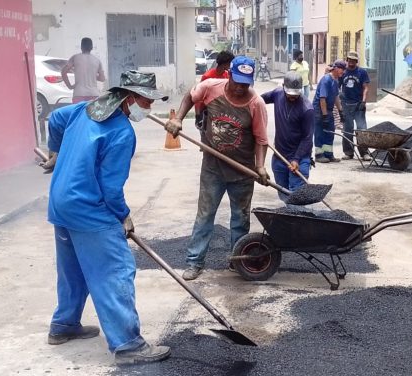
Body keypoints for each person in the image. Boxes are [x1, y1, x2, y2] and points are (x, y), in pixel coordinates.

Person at [43, 70, 171, 365]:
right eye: (146, 100)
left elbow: (57, 120)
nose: (149, 107)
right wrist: (123, 216)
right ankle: (128, 345)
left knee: (73, 268)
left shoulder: (86, 108)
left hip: (61, 202)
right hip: (88, 209)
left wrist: (57, 151)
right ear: (129, 98)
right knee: (115, 270)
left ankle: (64, 326)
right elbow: (111, 189)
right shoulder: (122, 133)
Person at [164, 56, 269, 281]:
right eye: (237, 81)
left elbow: (261, 139)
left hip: (242, 171)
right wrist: (179, 120)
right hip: (212, 167)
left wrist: (260, 166)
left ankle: (237, 260)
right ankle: (194, 262)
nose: (240, 87)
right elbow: (190, 97)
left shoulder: (256, 104)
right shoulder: (211, 88)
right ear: (228, 74)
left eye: (245, 83)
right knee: (204, 215)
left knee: (240, 219)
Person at [261, 71, 314, 200]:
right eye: (289, 94)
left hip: (299, 159)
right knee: (283, 193)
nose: (292, 97)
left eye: (295, 94)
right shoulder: (277, 93)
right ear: (284, 87)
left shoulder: (307, 109)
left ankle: (298, 218)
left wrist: (296, 159)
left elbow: (307, 139)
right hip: (279, 156)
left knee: (296, 196)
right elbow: (258, 100)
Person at [312, 59, 346, 163]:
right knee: (320, 132)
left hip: (329, 109)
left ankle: (328, 154)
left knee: (330, 132)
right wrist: (325, 115)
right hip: (320, 109)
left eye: (344, 69)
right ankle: (319, 154)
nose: (343, 71)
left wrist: (341, 111)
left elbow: (336, 97)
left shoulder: (335, 81)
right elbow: (322, 99)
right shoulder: (326, 80)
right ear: (335, 68)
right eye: (341, 68)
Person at [339, 51, 371, 161]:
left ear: (356, 61)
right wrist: (340, 102)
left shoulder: (362, 72)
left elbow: (365, 88)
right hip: (346, 105)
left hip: (358, 104)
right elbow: (337, 87)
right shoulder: (343, 72)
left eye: (353, 61)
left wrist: (363, 101)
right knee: (348, 129)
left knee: (362, 128)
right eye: (350, 60)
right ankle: (348, 152)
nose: (351, 62)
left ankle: (364, 153)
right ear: (347, 60)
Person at [196, 51, 235, 133]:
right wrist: (198, 115)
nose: (231, 66)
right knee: (206, 136)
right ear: (225, 64)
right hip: (207, 111)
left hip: (221, 111)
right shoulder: (207, 76)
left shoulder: (227, 75)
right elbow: (199, 96)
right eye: (230, 63)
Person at [61, 37, 106, 103]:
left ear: (81, 47)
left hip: (79, 94)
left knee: (79, 113)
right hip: (94, 94)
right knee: (93, 113)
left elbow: (63, 72)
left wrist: (70, 86)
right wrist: (92, 76)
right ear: (92, 48)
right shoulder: (97, 60)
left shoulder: (75, 58)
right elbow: (102, 78)